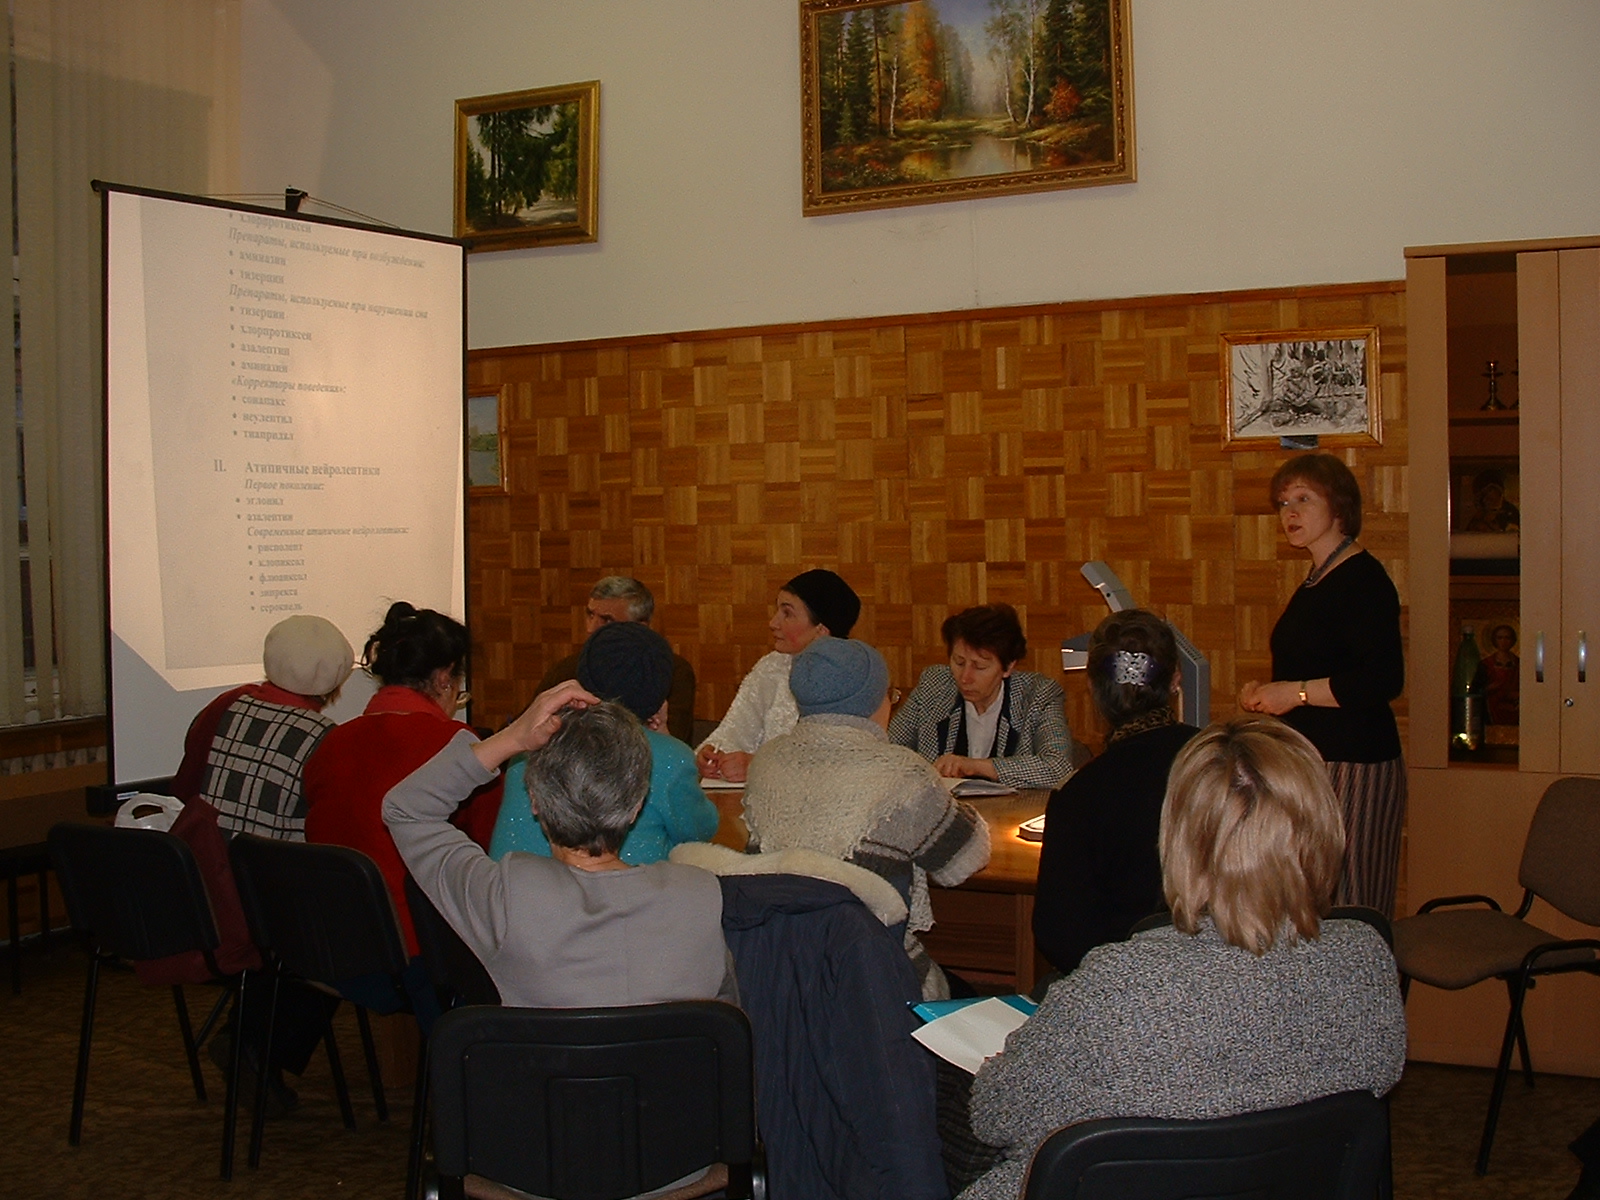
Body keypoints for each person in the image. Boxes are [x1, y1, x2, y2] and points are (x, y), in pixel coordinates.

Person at [958, 716, 1407, 1200]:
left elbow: (994, 1114)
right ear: (1323, 831)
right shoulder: (1366, 962)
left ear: (1177, 838)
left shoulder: (1118, 984)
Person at [384, 682, 737, 1007]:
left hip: (543, 1074)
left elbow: (407, 809)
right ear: (637, 805)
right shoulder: (700, 897)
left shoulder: (503, 896)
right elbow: (724, 1026)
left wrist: (513, 738)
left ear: (534, 799)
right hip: (671, 1077)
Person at [740, 636, 991, 999]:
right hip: (874, 983)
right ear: (874, 702)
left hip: (774, 979)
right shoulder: (905, 774)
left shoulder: (766, 761)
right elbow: (964, 861)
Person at [302, 602, 505, 1026]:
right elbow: (491, 853)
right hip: (418, 957)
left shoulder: (331, 743)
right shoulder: (459, 748)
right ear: (445, 677)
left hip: (333, 945)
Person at [1238, 452, 1406, 916]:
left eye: (1303, 499)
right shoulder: (1319, 577)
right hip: (1314, 762)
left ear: (1339, 508)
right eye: (1283, 502)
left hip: (1354, 765)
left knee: (1349, 902)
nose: (1289, 513)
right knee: (1311, 900)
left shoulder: (1363, 579)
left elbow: (1381, 679)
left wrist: (1293, 693)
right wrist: (1271, 690)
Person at [1032, 609, 1200, 975]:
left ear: (1091, 688)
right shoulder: (1224, 763)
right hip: (1230, 969)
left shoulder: (1079, 795)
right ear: (1175, 681)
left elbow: (1058, 934)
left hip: (1125, 983)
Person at [491, 620, 719, 864]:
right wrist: (667, 742)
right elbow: (701, 830)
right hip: (625, 897)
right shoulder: (669, 756)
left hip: (511, 894)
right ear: (660, 694)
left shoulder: (530, 744)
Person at [172, 613, 354, 840]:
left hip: (206, 861)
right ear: (336, 683)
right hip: (274, 870)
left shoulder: (229, 704)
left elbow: (186, 787)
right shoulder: (325, 736)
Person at [695, 568, 861, 784]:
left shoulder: (854, 679)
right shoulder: (772, 667)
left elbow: (837, 764)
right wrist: (712, 754)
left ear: (821, 630)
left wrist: (759, 765)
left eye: (787, 614)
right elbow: (735, 729)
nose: (773, 623)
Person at [888, 603, 1073, 790]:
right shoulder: (934, 686)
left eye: (980, 667)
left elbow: (1058, 768)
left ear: (1008, 667)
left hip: (1010, 814)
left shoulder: (1038, 694)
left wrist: (975, 766)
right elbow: (887, 752)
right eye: (959, 662)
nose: (965, 678)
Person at [537, 575, 698, 745]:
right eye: (590, 615)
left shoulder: (673, 672)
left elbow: (674, 746)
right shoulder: (568, 668)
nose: (591, 628)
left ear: (639, 628)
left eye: (606, 620)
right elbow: (526, 728)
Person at [1476, 623, 1520, 726]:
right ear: (1494, 640)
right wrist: (1490, 688)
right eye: (1500, 638)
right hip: (1491, 708)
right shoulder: (1485, 664)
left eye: (1507, 638)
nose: (1503, 641)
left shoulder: (1519, 664)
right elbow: (1476, 690)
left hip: (1513, 708)